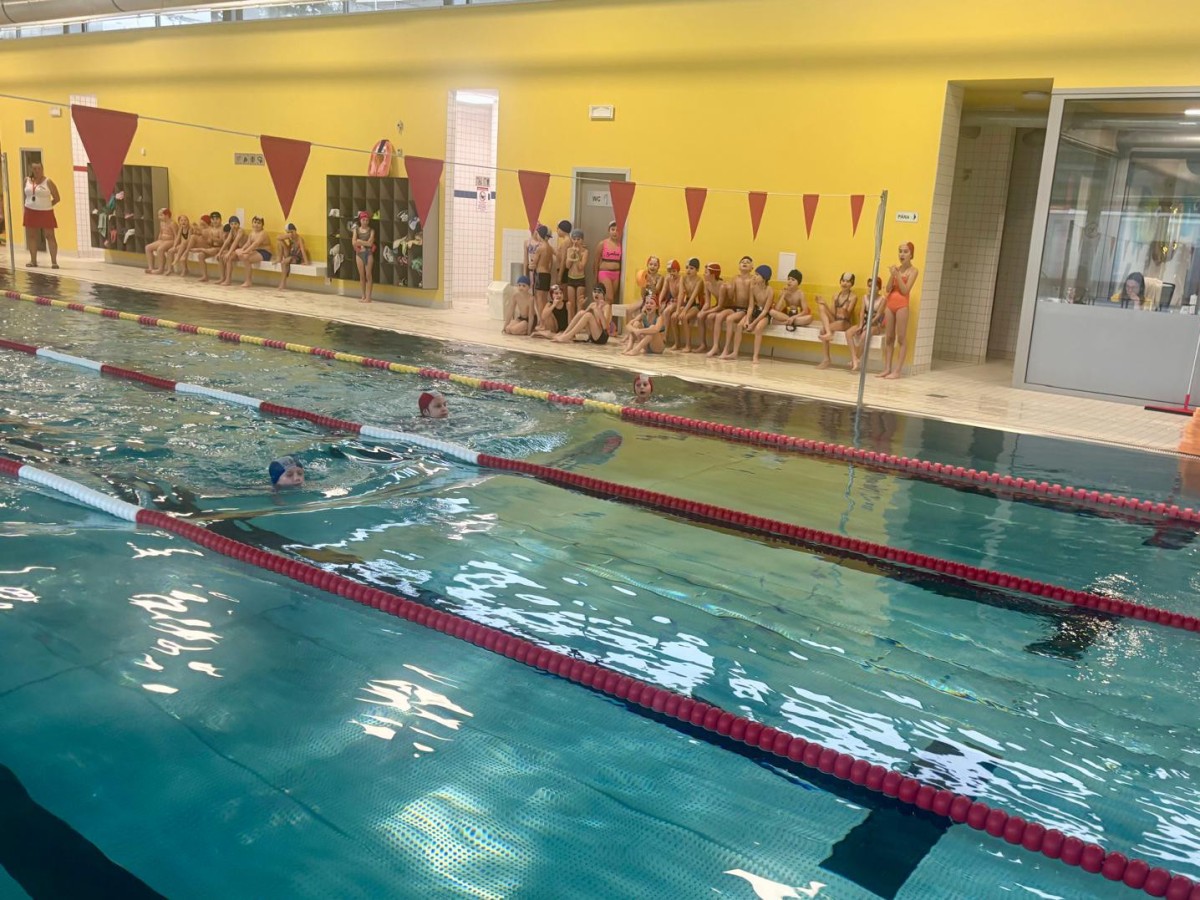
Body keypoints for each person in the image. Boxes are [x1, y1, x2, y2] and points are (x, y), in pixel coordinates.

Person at [880, 242, 919, 379]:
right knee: (889, 337)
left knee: (901, 338)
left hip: (902, 305)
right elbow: (888, 289)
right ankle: (887, 368)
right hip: (890, 304)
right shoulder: (896, 269)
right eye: (900, 251)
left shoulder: (913, 271)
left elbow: (905, 290)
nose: (902, 254)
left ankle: (897, 371)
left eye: (905, 251)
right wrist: (892, 275)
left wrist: (897, 275)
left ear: (911, 254)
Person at [724, 264, 775, 362]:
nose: (754, 276)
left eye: (757, 275)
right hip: (755, 311)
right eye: (755, 274)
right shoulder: (753, 288)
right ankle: (735, 352)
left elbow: (765, 311)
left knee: (758, 328)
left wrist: (753, 324)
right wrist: (747, 320)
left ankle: (755, 356)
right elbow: (751, 306)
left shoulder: (770, 291)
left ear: (764, 278)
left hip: (764, 314)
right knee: (739, 325)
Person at [707, 256, 754, 357]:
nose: (745, 263)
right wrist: (728, 288)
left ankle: (726, 348)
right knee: (719, 316)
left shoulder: (753, 279)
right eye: (742, 262)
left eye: (748, 262)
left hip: (745, 310)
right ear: (739, 266)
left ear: (752, 268)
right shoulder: (735, 278)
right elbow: (731, 296)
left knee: (729, 319)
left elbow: (752, 299)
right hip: (735, 307)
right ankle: (715, 346)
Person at [816, 272, 858, 369]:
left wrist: (844, 310)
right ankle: (826, 357)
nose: (845, 283)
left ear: (852, 284)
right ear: (840, 281)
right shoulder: (835, 296)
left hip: (845, 323)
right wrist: (825, 304)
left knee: (823, 330)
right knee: (821, 306)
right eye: (843, 281)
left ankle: (826, 358)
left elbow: (847, 315)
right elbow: (833, 314)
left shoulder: (853, 297)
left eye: (848, 281)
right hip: (835, 320)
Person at [23, 162, 60, 269]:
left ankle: (54, 262)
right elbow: (27, 195)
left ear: (42, 169)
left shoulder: (48, 181)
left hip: (45, 212)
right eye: (34, 168)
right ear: (31, 169)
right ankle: (33, 261)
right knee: (31, 236)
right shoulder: (26, 180)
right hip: (30, 211)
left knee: (50, 236)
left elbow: (57, 198)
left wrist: (47, 205)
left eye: (39, 168)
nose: (37, 171)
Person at [847, 276, 885, 372]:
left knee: (864, 334)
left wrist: (868, 325)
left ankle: (856, 359)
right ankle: (854, 358)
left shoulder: (883, 299)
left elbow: (878, 315)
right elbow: (862, 312)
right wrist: (861, 325)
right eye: (869, 286)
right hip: (864, 322)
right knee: (848, 332)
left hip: (875, 324)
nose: (871, 288)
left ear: (879, 287)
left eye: (874, 286)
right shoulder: (865, 297)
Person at [673, 258, 706, 352]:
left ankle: (688, 345)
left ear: (697, 270)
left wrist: (684, 311)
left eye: (691, 268)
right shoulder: (683, 278)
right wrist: (677, 310)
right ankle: (677, 343)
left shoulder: (699, 281)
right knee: (673, 317)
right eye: (687, 267)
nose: (688, 270)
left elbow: (693, 297)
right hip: (687, 303)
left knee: (684, 317)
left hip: (697, 304)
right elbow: (680, 294)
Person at [696, 262, 728, 353]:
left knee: (710, 317)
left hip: (727, 307)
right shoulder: (707, 284)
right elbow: (707, 303)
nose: (703, 274)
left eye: (706, 272)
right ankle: (703, 344)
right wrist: (702, 311)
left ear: (713, 275)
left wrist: (706, 312)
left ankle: (715, 345)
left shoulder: (722, 286)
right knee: (700, 316)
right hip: (718, 306)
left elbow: (720, 306)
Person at [622, 290, 666, 356]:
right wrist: (635, 330)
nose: (648, 305)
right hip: (646, 346)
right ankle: (629, 347)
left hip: (657, 347)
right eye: (647, 303)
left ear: (656, 307)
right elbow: (628, 325)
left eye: (651, 303)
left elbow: (656, 330)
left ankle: (636, 350)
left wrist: (640, 331)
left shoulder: (659, 318)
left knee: (652, 328)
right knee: (636, 323)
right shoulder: (643, 315)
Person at [232, 216, 271, 287]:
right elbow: (248, 243)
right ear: (252, 223)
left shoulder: (263, 233)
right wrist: (242, 249)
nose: (256, 225)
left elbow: (255, 244)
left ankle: (248, 281)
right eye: (255, 222)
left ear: (262, 225)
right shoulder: (252, 233)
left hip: (265, 253)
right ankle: (247, 280)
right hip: (256, 251)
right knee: (241, 254)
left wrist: (245, 252)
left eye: (259, 223)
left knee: (246, 258)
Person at [562, 228, 589, 318]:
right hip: (570, 278)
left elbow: (581, 267)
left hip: (580, 279)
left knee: (580, 304)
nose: (576, 241)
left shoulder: (585, 252)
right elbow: (567, 266)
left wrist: (577, 255)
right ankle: (571, 323)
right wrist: (572, 254)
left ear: (582, 240)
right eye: (574, 239)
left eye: (578, 239)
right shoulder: (569, 250)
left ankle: (579, 323)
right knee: (571, 304)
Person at [594, 220, 623, 303]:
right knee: (609, 298)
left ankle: (606, 311)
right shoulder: (602, 243)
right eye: (612, 229)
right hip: (605, 273)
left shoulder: (621, 245)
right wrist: (595, 277)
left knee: (612, 299)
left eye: (617, 230)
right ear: (608, 230)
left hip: (616, 274)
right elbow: (596, 261)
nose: (615, 232)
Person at [531, 224, 554, 324]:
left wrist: (531, 264)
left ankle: (542, 322)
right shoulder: (549, 248)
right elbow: (551, 263)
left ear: (540, 235)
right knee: (544, 299)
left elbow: (534, 264)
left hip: (540, 275)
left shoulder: (540, 248)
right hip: (547, 275)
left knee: (539, 299)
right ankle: (546, 322)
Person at [276, 223, 310, 290]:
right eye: (289, 232)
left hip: (296, 257)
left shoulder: (299, 239)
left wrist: (306, 262)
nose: (291, 234)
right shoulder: (290, 238)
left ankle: (283, 283)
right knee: (279, 242)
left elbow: (303, 250)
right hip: (290, 255)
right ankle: (279, 258)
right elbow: (278, 237)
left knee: (284, 263)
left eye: (292, 232)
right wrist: (287, 236)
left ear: (295, 230)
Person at [352, 211, 376, 303]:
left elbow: (370, 243)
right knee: (361, 276)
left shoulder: (371, 231)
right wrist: (362, 243)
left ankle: (368, 297)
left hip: (368, 253)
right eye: (363, 220)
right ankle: (363, 296)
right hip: (359, 254)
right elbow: (354, 242)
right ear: (360, 220)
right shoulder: (356, 230)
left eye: (367, 220)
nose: (365, 222)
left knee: (368, 275)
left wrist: (360, 242)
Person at [143, 208, 177, 274]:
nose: (159, 217)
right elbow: (161, 232)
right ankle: (151, 267)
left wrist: (175, 245)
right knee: (148, 247)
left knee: (160, 249)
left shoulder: (172, 224)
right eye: (159, 215)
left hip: (171, 241)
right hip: (162, 240)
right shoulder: (161, 223)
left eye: (161, 215)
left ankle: (160, 269)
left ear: (167, 215)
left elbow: (176, 236)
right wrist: (158, 240)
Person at [194, 212, 225, 282]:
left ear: (221, 220)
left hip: (220, 248)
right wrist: (208, 240)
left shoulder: (221, 229)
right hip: (212, 248)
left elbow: (222, 242)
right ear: (211, 220)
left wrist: (212, 238)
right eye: (213, 219)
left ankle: (222, 277)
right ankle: (205, 276)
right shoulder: (211, 229)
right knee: (200, 255)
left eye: (217, 219)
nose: (215, 221)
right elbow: (210, 242)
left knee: (217, 255)